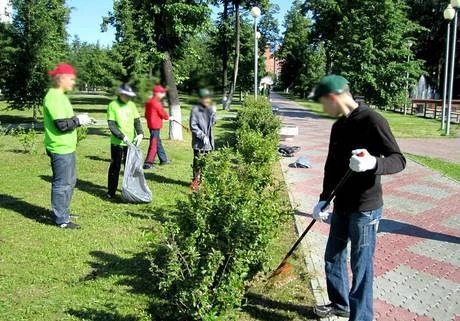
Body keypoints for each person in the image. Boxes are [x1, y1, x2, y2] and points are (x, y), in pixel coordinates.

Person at [311, 75, 406, 321]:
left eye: (323, 102)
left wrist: (373, 162)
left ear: (334, 97)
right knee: (333, 256)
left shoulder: (372, 120)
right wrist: (324, 199)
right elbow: (332, 168)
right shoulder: (339, 126)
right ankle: (340, 304)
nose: (323, 108)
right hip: (341, 205)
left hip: (365, 209)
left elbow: (398, 159)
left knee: (361, 266)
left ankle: (361, 317)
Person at [43, 63, 93, 229]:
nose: (73, 82)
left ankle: (64, 212)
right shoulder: (54, 97)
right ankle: (61, 220)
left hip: (67, 147)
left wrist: (79, 119)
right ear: (61, 78)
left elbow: (66, 120)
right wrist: (78, 120)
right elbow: (61, 125)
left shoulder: (61, 95)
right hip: (59, 148)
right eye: (71, 79)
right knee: (62, 184)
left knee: (70, 182)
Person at [106, 83, 144, 199]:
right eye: (126, 95)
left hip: (131, 143)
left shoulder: (131, 105)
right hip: (117, 143)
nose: (128, 98)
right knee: (115, 167)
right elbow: (111, 125)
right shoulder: (113, 105)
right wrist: (122, 136)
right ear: (120, 94)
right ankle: (111, 192)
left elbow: (137, 121)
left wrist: (140, 133)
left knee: (130, 168)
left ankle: (129, 190)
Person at [189, 88, 217, 189]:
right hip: (198, 142)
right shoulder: (195, 110)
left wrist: (214, 114)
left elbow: (213, 123)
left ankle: (204, 181)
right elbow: (193, 126)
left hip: (208, 142)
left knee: (207, 162)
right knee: (198, 162)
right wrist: (202, 136)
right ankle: (196, 181)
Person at [143, 85, 171, 169]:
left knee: (158, 143)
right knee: (154, 144)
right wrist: (168, 117)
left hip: (151, 125)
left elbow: (146, 115)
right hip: (155, 126)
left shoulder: (149, 101)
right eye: (162, 92)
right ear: (157, 93)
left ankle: (163, 160)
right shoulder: (156, 102)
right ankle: (148, 163)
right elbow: (163, 114)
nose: (163, 94)